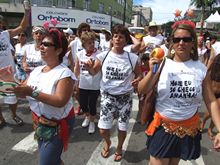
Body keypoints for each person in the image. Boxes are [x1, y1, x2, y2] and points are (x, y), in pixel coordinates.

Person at [138, 21, 220, 165]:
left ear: (193, 42)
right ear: (171, 42)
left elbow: (211, 101)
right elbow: (141, 89)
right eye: (176, 39)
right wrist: (153, 71)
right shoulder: (162, 64)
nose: (181, 43)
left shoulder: (201, 69)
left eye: (186, 39)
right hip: (162, 127)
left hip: (188, 130)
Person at [12, 28, 76, 165]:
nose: (41, 46)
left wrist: (32, 92)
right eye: (41, 43)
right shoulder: (36, 71)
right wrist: (7, 79)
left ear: (58, 51)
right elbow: (22, 91)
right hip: (39, 121)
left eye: (46, 44)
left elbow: (60, 101)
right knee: (52, 159)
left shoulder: (64, 73)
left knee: (46, 162)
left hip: (57, 124)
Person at [84, 24, 142, 161]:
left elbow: (139, 74)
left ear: (125, 40)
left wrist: (137, 80)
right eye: (115, 36)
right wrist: (88, 68)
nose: (117, 39)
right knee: (103, 129)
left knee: (122, 128)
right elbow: (94, 72)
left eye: (121, 37)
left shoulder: (132, 58)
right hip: (107, 97)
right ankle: (108, 142)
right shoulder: (103, 56)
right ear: (112, 39)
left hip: (125, 98)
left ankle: (119, 147)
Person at [0, 5, 30, 128]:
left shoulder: (5, 34)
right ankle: (1, 119)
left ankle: (13, 115)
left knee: (12, 98)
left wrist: (27, 12)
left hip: (8, 75)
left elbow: (22, 27)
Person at [74, 31, 101, 134]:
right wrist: (75, 81)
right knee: (83, 104)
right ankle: (87, 116)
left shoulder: (99, 54)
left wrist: (91, 67)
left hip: (95, 85)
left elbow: (96, 71)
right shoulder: (79, 54)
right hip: (83, 84)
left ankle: (92, 122)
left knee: (92, 104)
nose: (92, 44)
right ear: (83, 43)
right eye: (89, 43)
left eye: (93, 42)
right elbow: (77, 68)